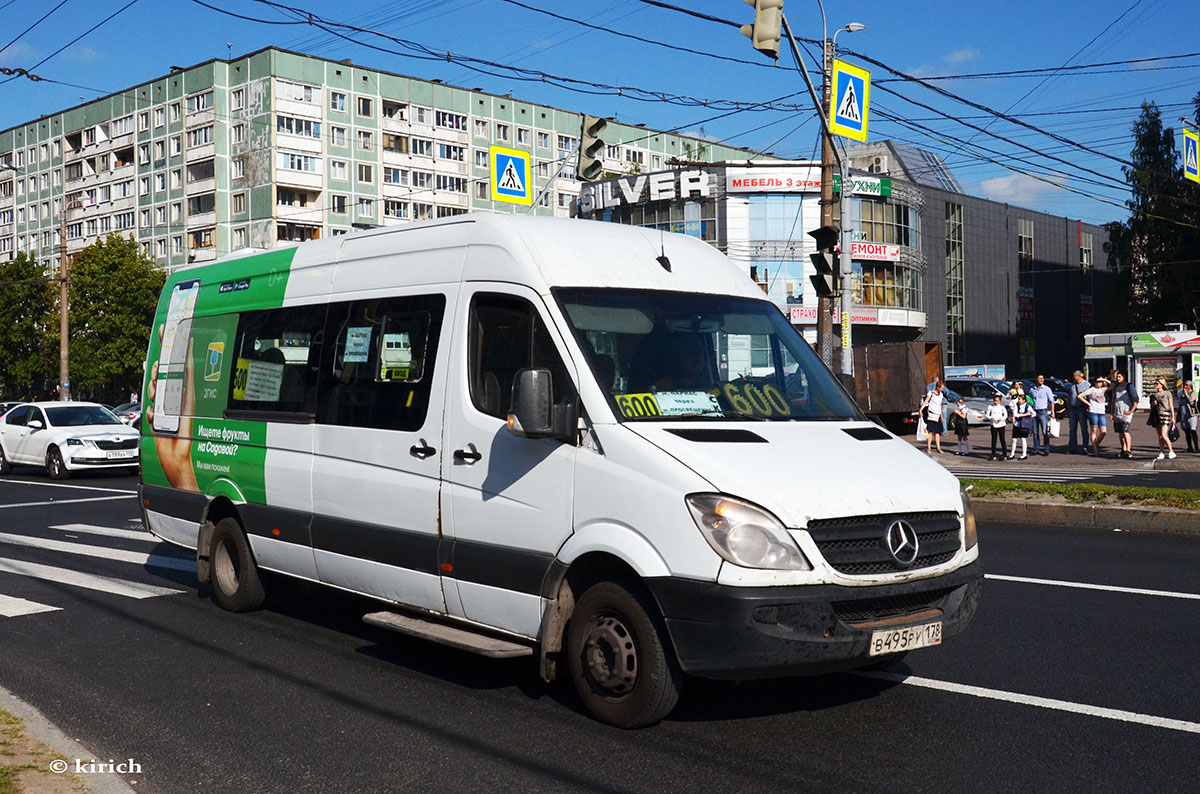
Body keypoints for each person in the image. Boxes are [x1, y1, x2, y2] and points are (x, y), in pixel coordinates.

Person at [1110, 371, 1138, 459]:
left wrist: (1131, 410)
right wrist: (1112, 413)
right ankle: (1123, 449)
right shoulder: (1116, 387)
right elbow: (1113, 400)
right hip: (1117, 412)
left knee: (1125, 431)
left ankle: (1128, 450)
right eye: (1117, 377)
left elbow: (1136, 398)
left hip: (1126, 412)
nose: (1118, 378)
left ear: (1124, 377)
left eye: (1119, 376)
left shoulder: (1129, 386)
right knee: (1120, 432)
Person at [1150, 377, 1176, 461]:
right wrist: (1153, 404)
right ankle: (1161, 452)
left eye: (1157, 383)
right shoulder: (1154, 395)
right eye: (1155, 384)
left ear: (1162, 384)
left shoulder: (1167, 393)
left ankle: (1171, 451)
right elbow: (1151, 406)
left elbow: (1171, 405)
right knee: (1160, 436)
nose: (1155, 385)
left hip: (1165, 414)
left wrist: (1173, 416)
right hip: (1157, 415)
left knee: (1164, 434)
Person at [1029, 374, 1055, 456]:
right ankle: (1036, 449)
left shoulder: (1047, 389)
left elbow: (1052, 401)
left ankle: (1046, 449)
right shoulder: (1032, 389)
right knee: (1035, 432)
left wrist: (1052, 412)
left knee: (1045, 432)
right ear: (1036, 379)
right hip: (1034, 412)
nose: (1041, 380)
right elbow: (1029, 400)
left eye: (1042, 378)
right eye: (1039, 378)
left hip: (1043, 412)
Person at [1082, 376, 1108, 456]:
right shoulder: (1092, 389)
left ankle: (1095, 444)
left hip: (1101, 411)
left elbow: (1113, 385)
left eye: (1101, 382)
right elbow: (1080, 396)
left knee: (1104, 431)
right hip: (1093, 411)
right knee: (1094, 430)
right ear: (1094, 382)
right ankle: (1095, 449)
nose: (1099, 383)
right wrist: (1088, 403)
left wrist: (1104, 379)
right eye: (1098, 381)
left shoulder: (1103, 389)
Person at [1067, 370, 1091, 454]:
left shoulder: (1087, 385)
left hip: (1082, 409)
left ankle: (1085, 447)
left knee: (1084, 428)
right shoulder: (1072, 385)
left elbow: (1090, 397)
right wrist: (1068, 407)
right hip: (1073, 409)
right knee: (1072, 429)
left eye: (1075, 376)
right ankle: (1072, 448)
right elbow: (1070, 396)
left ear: (1079, 376)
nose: (1074, 378)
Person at [919, 381, 946, 454]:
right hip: (931, 414)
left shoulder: (941, 395)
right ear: (938, 387)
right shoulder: (931, 393)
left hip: (937, 415)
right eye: (942, 388)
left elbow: (940, 405)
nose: (943, 389)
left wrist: (941, 415)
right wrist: (920, 410)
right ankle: (929, 448)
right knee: (930, 432)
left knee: (937, 432)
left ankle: (938, 448)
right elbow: (925, 402)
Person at [1009, 389, 1035, 460]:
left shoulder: (1027, 406)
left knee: (1023, 439)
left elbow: (1034, 413)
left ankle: (1024, 454)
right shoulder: (1016, 405)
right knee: (1014, 439)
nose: (1018, 401)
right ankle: (1012, 454)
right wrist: (1025, 414)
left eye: (1020, 399)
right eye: (1018, 399)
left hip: (1024, 424)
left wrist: (1030, 415)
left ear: (1024, 400)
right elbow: (1015, 414)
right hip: (1017, 424)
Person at [985, 393, 1009, 461]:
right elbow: (987, 415)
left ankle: (1004, 454)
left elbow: (1005, 415)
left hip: (1001, 424)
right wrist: (991, 418)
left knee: (1002, 439)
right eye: (995, 401)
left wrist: (1002, 419)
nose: (996, 402)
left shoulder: (1002, 407)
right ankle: (993, 454)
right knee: (994, 440)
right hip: (994, 425)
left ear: (1000, 401)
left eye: (997, 401)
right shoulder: (990, 407)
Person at [1179, 380, 1198, 453]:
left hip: (1191, 414)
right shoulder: (1182, 394)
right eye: (1184, 385)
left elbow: (1190, 400)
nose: (1185, 387)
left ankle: (1196, 447)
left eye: (1186, 385)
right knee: (1186, 431)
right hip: (1184, 414)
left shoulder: (1193, 393)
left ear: (1190, 386)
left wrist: (1186, 393)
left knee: (1192, 430)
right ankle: (1189, 447)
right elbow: (1180, 404)